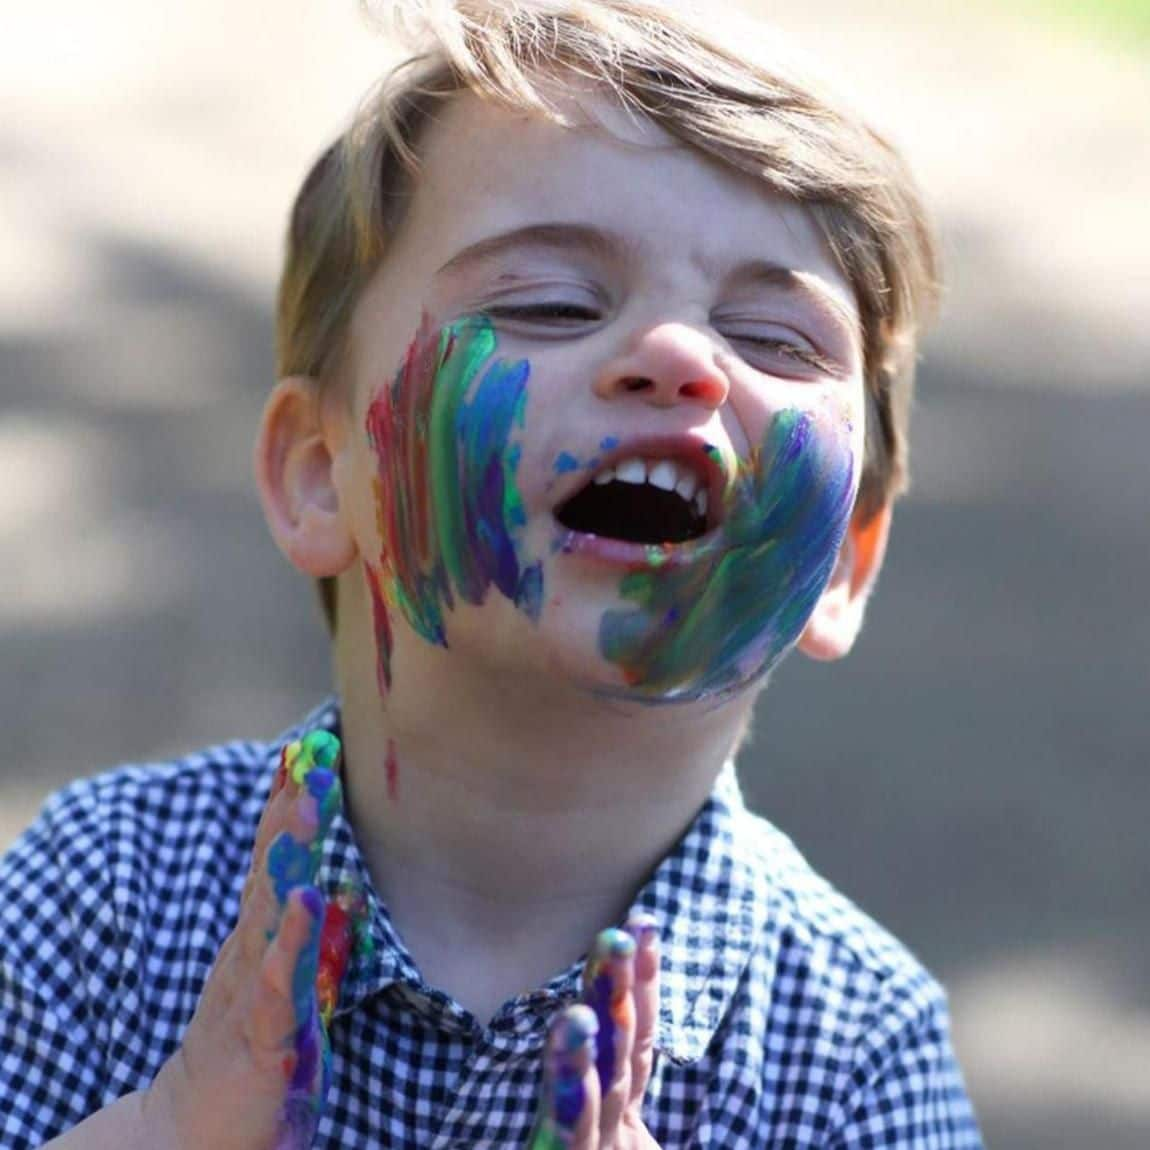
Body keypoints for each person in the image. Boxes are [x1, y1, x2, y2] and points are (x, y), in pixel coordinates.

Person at [0, 1, 985, 1146]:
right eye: (550, 303)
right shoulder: (107, 896)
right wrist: (167, 1130)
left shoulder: (857, 1053)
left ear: (843, 557)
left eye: (772, 338)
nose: (678, 359)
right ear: (324, 474)